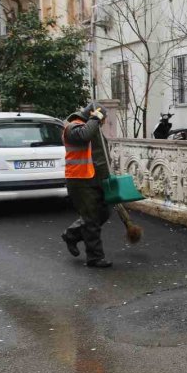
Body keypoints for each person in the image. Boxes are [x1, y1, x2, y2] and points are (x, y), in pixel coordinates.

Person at [61, 102, 112, 268]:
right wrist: (96, 118)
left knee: (103, 212)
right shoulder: (72, 127)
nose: (103, 122)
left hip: (95, 178)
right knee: (91, 219)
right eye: (102, 118)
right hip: (79, 180)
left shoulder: (93, 128)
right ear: (93, 115)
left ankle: (72, 234)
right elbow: (83, 136)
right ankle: (95, 257)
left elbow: (99, 155)